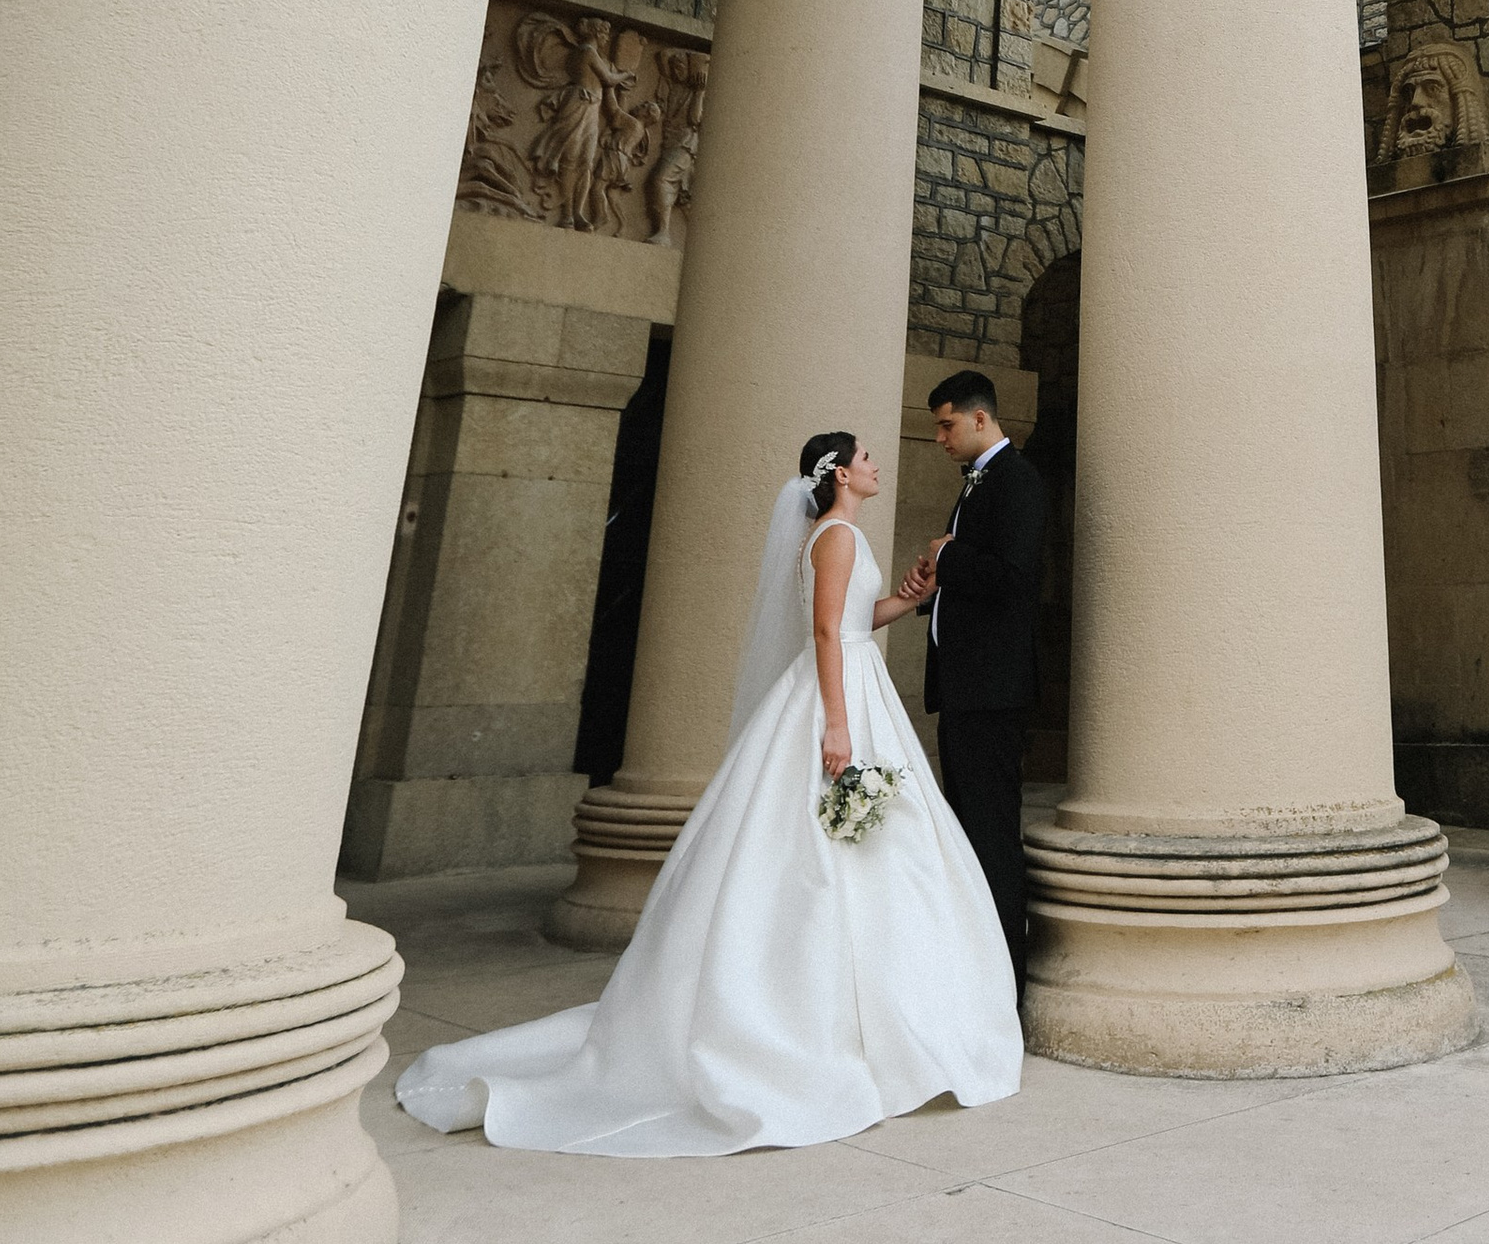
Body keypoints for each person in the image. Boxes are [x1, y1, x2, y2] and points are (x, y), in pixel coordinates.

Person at [393, 433, 1020, 1151]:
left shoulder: (834, 532)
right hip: (839, 700)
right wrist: (838, 727)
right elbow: (822, 632)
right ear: (842, 473)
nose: (878, 466)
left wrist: (908, 599)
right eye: (867, 458)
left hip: (850, 681)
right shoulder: (838, 533)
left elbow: (853, 623)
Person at [900, 369, 1049, 987]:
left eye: (947, 423)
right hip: (966, 690)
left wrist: (947, 555)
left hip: (992, 693)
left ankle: (1004, 987)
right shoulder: (975, 483)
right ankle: (974, 979)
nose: (939, 436)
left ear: (981, 419)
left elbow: (1015, 577)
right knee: (967, 834)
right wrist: (934, 587)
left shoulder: (1015, 479)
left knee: (989, 837)